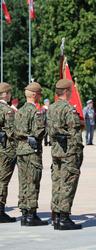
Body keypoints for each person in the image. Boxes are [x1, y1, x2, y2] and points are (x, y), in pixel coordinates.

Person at [47, 79, 84, 230]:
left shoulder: (51, 108)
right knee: (68, 183)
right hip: (69, 152)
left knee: (57, 182)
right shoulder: (69, 109)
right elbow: (74, 133)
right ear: (67, 91)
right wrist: (78, 152)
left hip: (56, 151)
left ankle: (56, 215)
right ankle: (64, 217)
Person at [14, 82, 48, 226]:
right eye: (39, 94)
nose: (40, 96)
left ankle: (24, 213)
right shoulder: (36, 112)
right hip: (32, 151)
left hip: (20, 150)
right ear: (34, 95)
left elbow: (15, 131)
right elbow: (39, 132)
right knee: (33, 181)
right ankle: (31, 215)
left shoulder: (19, 111)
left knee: (23, 182)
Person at [0, 83, 17, 223]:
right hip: (5, 150)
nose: (10, 95)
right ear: (5, 94)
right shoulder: (7, 110)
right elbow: (12, 132)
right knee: (2, 180)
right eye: (9, 93)